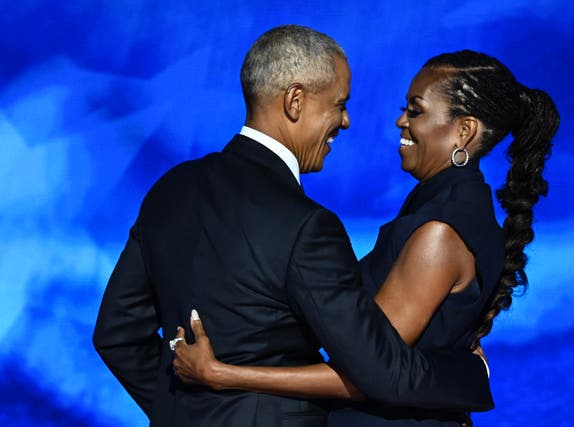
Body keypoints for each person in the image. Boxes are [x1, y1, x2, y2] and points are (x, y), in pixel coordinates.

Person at [93, 26, 493, 427]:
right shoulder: (309, 227)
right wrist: (471, 377)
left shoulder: (171, 190)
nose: (346, 121)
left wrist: (185, 410)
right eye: (340, 104)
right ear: (295, 102)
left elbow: (116, 335)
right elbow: (381, 372)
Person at [171, 49, 560, 426]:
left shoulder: (439, 232)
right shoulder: (448, 212)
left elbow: (369, 375)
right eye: (405, 109)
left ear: (464, 131)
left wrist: (221, 374)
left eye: (416, 110)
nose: (401, 122)